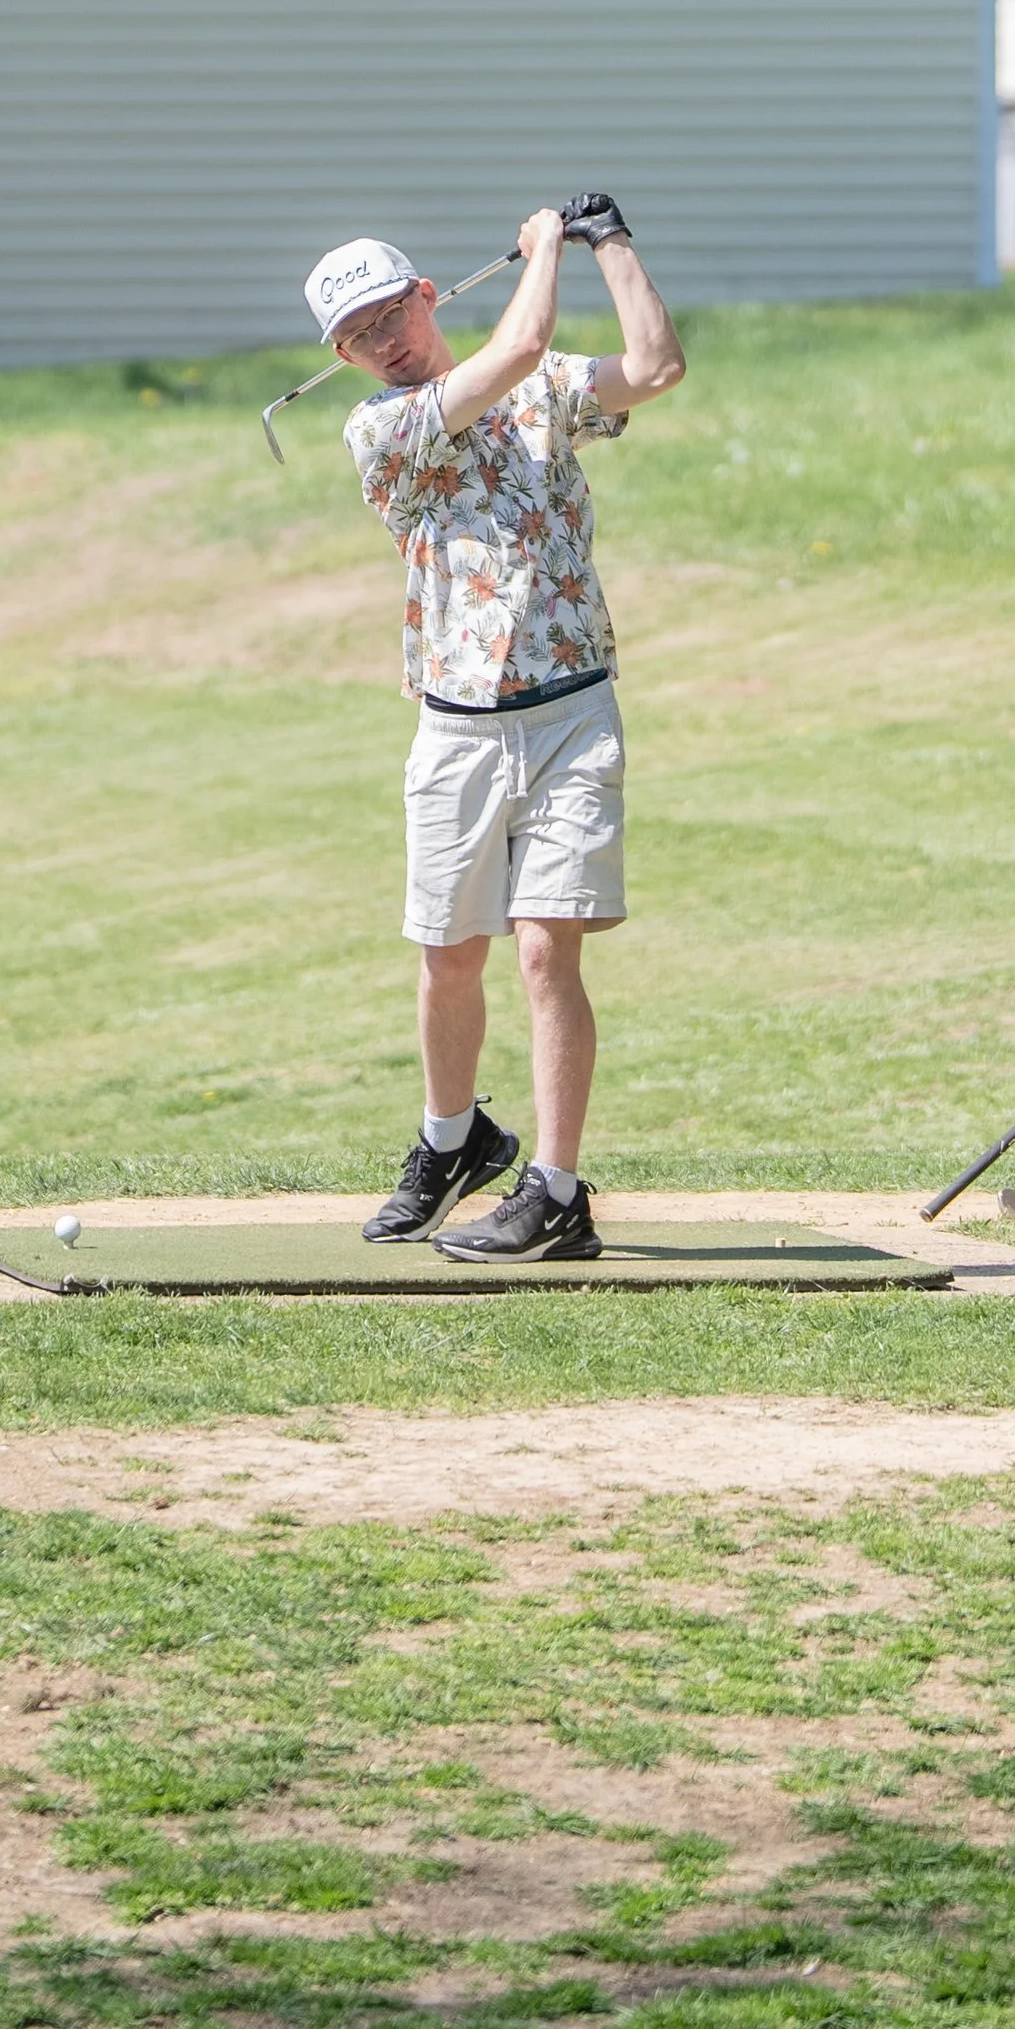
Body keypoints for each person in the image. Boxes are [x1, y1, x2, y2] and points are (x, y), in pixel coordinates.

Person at [305, 195, 686, 1262]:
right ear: (340, 357)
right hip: (458, 727)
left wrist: (612, 245)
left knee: (543, 953)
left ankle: (555, 1192)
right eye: (357, 338)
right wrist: (547, 245)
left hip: (570, 712)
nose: (383, 344)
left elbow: (655, 368)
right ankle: (452, 1136)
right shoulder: (380, 429)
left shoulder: (544, 393)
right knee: (447, 954)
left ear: (428, 294)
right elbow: (517, 343)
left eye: (390, 315)